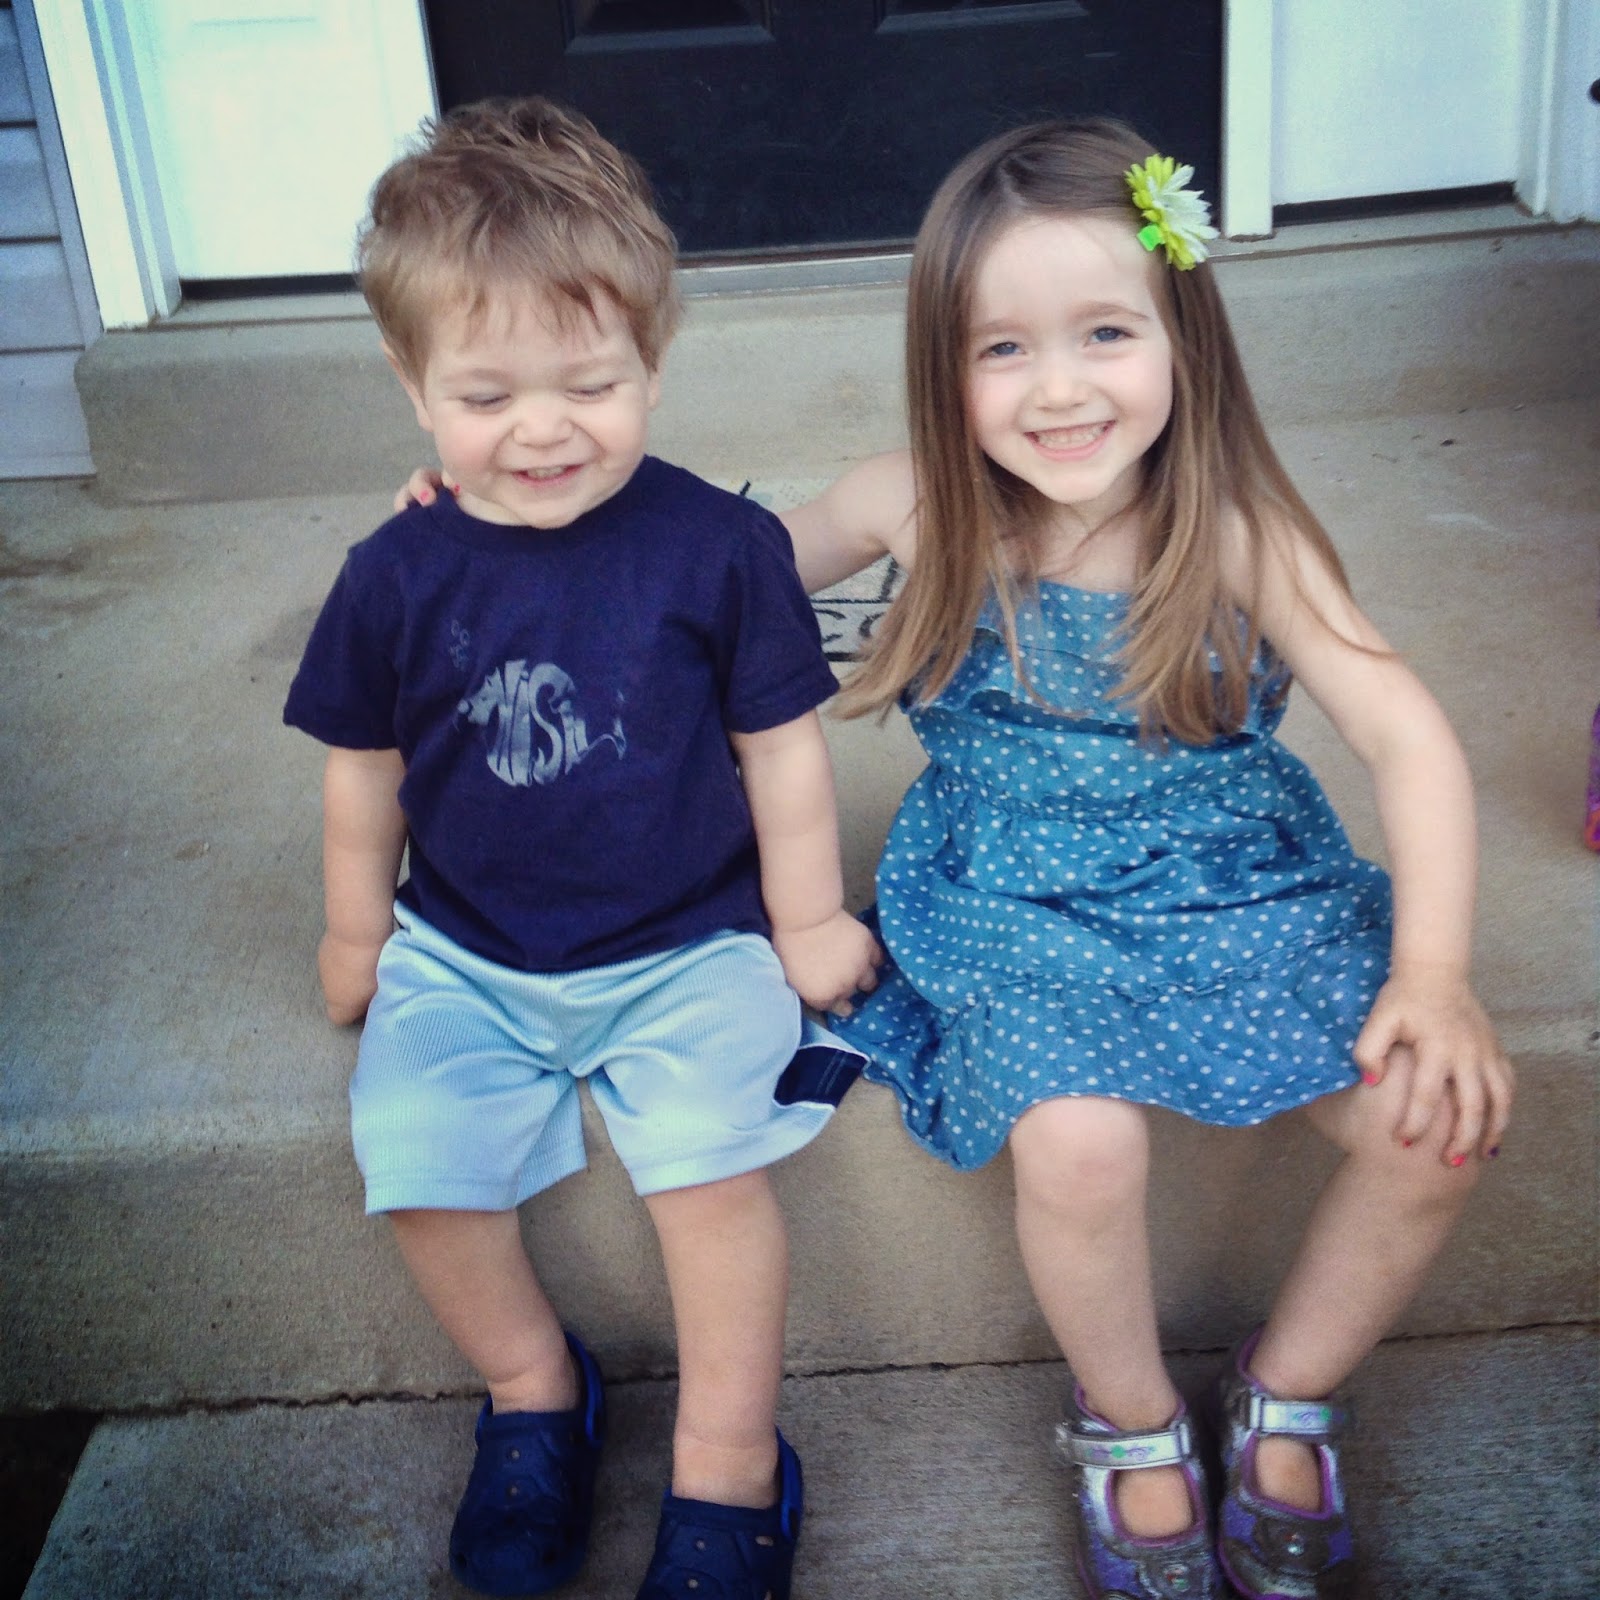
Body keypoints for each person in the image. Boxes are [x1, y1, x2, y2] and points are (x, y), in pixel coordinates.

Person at [396, 116, 1515, 1598]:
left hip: (1238, 887)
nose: (1059, 389)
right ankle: (1131, 1422)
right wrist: (493, 521)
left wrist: (1434, 975)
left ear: (1182, 337)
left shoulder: (1239, 535)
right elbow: (699, 572)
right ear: (944, 366)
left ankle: (1288, 1390)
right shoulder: (914, 503)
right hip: (1010, 901)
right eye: (1002, 349)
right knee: (1078, 1138)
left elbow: (1410, 740)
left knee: (1435, 1129)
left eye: (1105, 332)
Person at [286, 96, 880, 1600]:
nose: (544, 429)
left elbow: (781, 751)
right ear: (412, 382)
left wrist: (808, 919)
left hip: (689, 942)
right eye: (486, 394)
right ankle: (536, 1389)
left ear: (653, 364)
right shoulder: (394, 574)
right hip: (467, 948)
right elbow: (364, 773)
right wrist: (357, 933)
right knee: (417, 1162)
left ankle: (729, 1461)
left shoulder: (718, 550)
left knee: (713, 1182)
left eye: (591, 384)